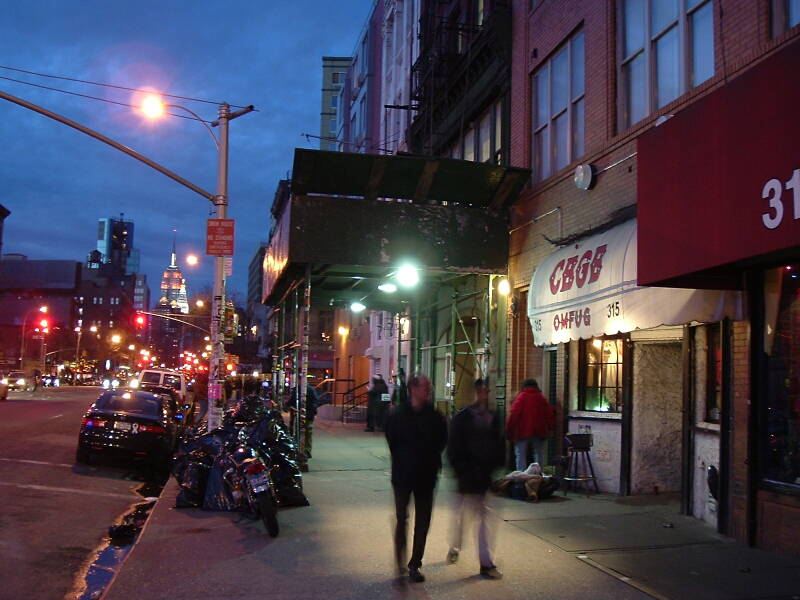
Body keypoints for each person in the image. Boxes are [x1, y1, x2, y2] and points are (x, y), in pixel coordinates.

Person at [385, 374, 447, 583]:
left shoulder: (435, 416)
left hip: (426, 475)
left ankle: (415, 564)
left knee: (423, 521)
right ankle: (400, 562)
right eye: (423, 387)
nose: (427, 391)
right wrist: (404, 457)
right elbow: (391, 439)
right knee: (402, 518)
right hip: (403, 474)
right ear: (412, 389)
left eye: (428, 387)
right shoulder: (398, 414)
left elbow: (441, 440)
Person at [447, 378, 504, 579]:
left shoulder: (492, 417)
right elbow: (454, 448)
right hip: (468, 475)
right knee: (462, 516)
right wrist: (462, 469)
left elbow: (498, 445)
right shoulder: (463, 418)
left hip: (481, 476)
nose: (483, 395)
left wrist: (494, 470)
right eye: (480, 391)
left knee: (482, 518)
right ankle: (456, 545)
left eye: (485, 391)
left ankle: (485, 562)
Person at [506, 379, 555, 472]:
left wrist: (509, 430)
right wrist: (551, 428)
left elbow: (513, 414)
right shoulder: (541, 398)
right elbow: (549, 414)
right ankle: (538, 477)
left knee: (521, 455)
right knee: (539, 454)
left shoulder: (520, 397)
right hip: (539, 431)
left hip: (522, 431)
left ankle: (521, 479)